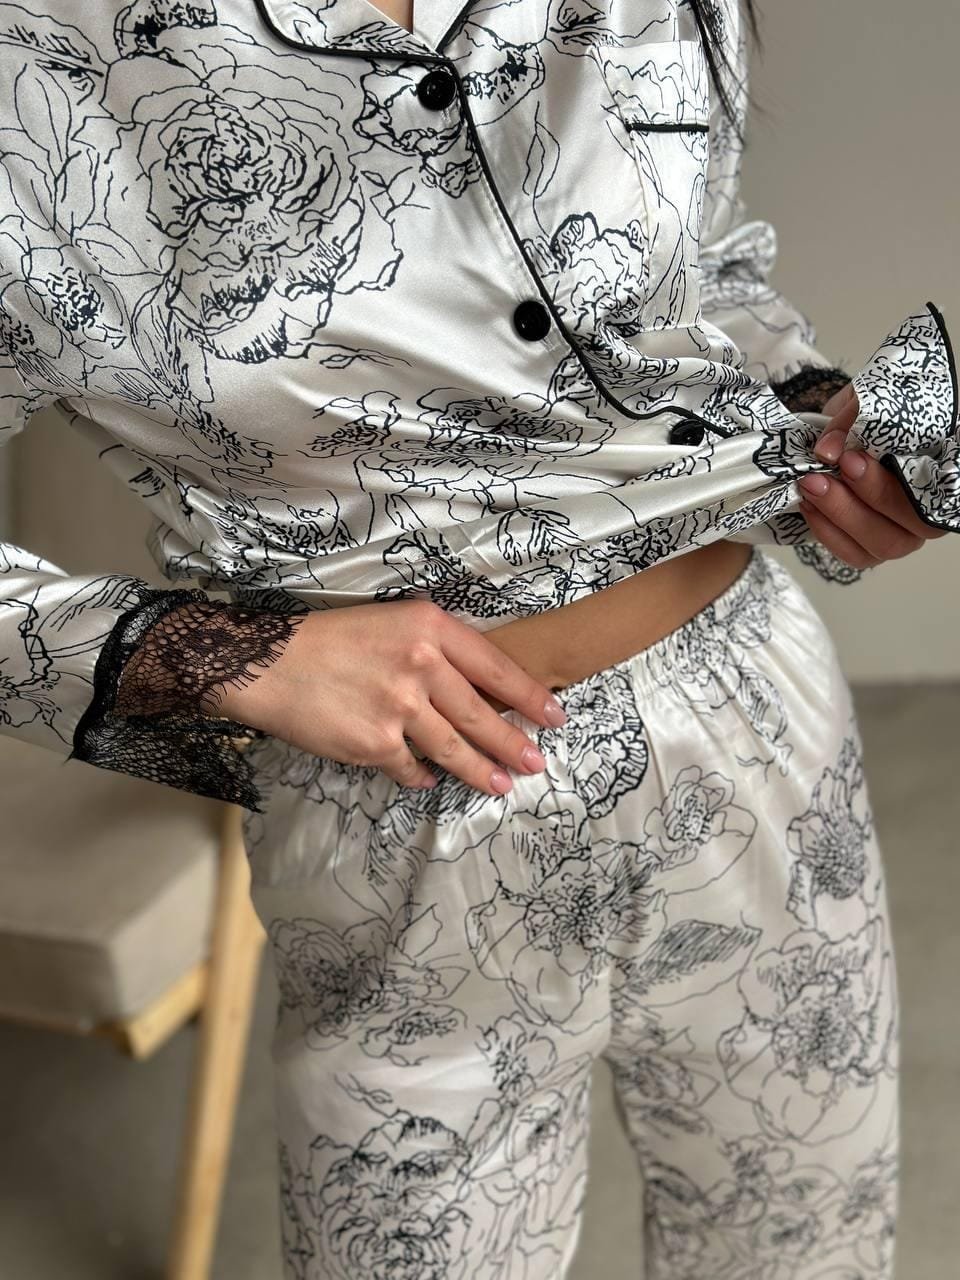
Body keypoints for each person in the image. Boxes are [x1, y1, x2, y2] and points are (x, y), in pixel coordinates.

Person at [1, 1, 947, 1275]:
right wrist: (232, 653)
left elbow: (704, 273)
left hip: (762, 725)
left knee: (811, 1255)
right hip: (399, 827)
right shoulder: (38, 59)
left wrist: (829, 433)